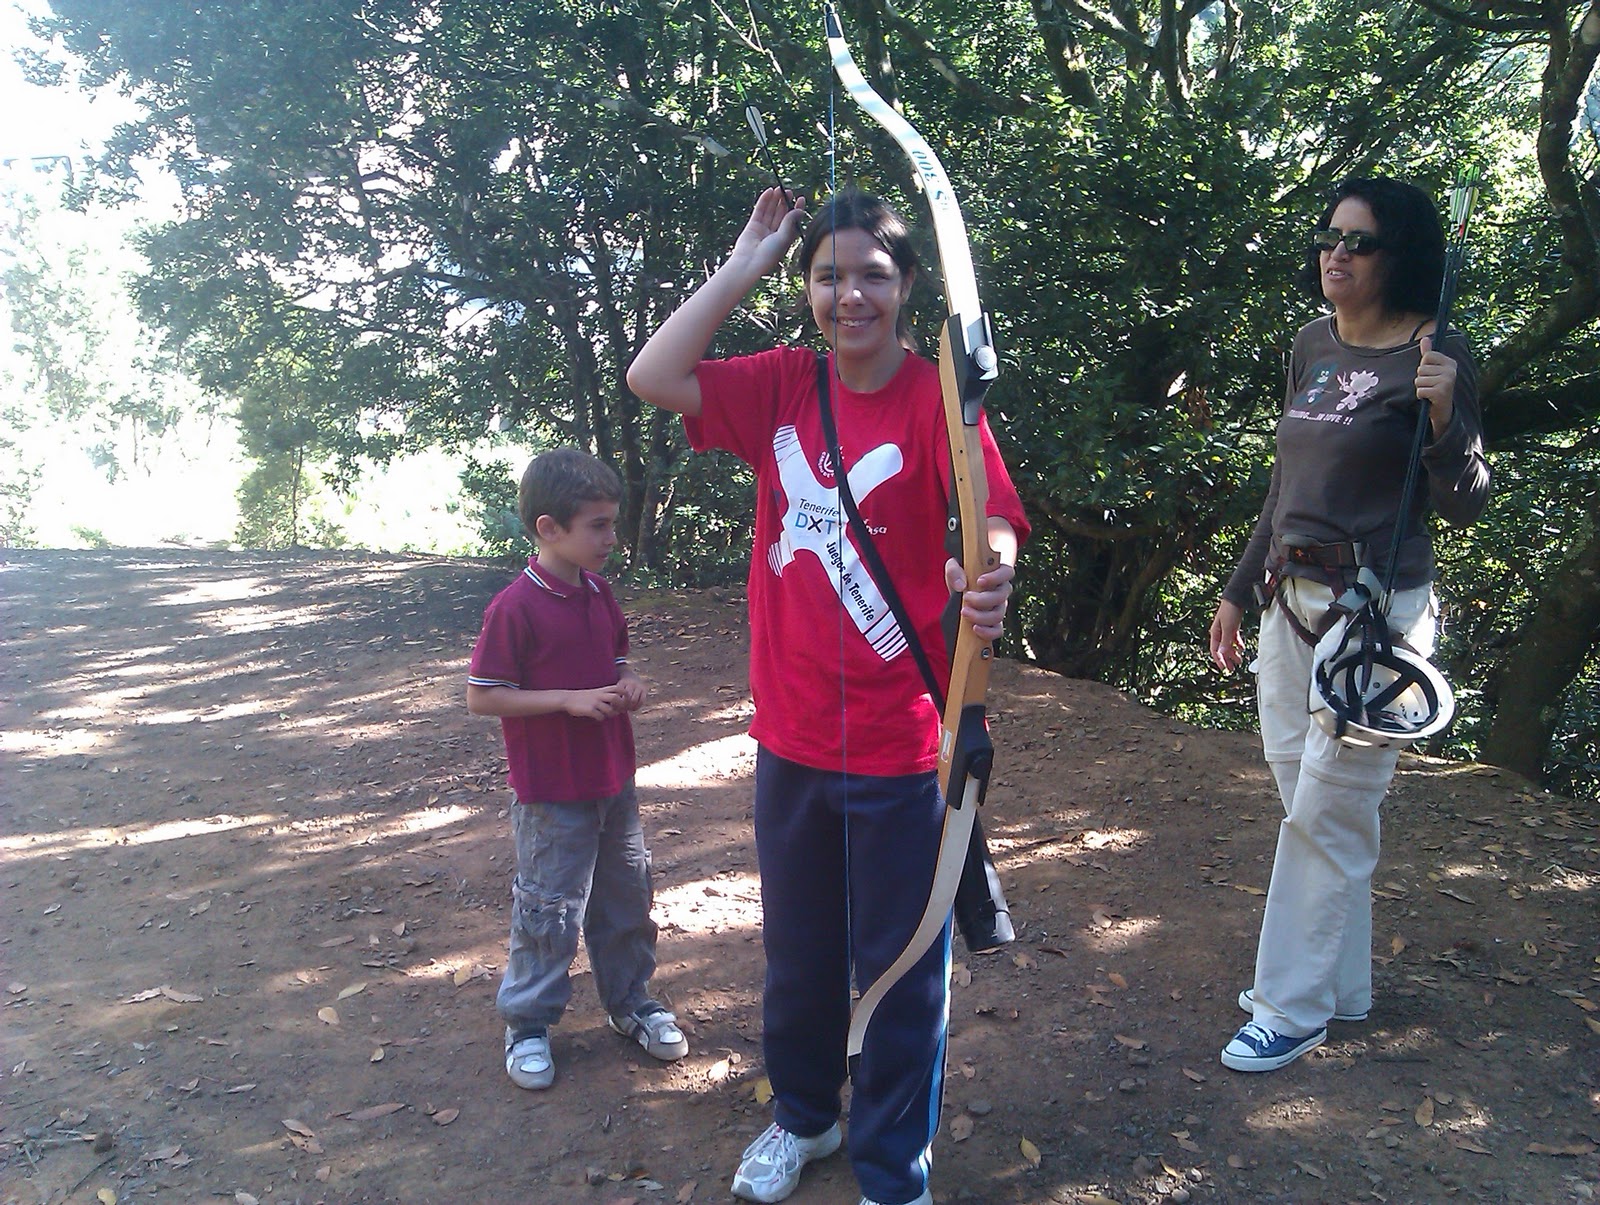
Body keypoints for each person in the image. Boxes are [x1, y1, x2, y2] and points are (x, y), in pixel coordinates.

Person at [626, 188, 1029, 1205]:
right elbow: (653, 375)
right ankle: (805, 1116)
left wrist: (991, 569)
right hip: (792, 736)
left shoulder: (938, 398)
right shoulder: (780, 383)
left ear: (907, 286)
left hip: (903, 743)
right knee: (800, 957)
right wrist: (745, 264)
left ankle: (893, 1167)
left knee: (900, 967)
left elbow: (993, 517)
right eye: (828, 275)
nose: (850, 295)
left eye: (872, 275)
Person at [1209, 177, 1491, 1072]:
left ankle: (1289, 1008)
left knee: (1329, 810)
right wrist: (1237, 588)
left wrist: (1444, 416)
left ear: (1398, 256)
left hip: (1376, 617)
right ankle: (1344, 984)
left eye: (1360, 241)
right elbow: (1284, 485)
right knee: (1311, 799)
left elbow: (1467, 500)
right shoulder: (1312, 344)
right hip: (1289, 601)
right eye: (1330, 236)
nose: (1337, 252)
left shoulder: (1437, 350)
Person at [466, 448, 688, 1091]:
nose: (611, 538)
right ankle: (528, 1024)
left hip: (614, 782)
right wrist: (567, 700)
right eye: (598, 525)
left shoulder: (598, 593)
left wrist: (629, 681)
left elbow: (616, 661)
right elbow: (482, 695)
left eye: (612, 523)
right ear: (549, 528)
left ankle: (631, 1003)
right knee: (550, 910)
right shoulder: (515, 607)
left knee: (626, 899)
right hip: (552, 792)